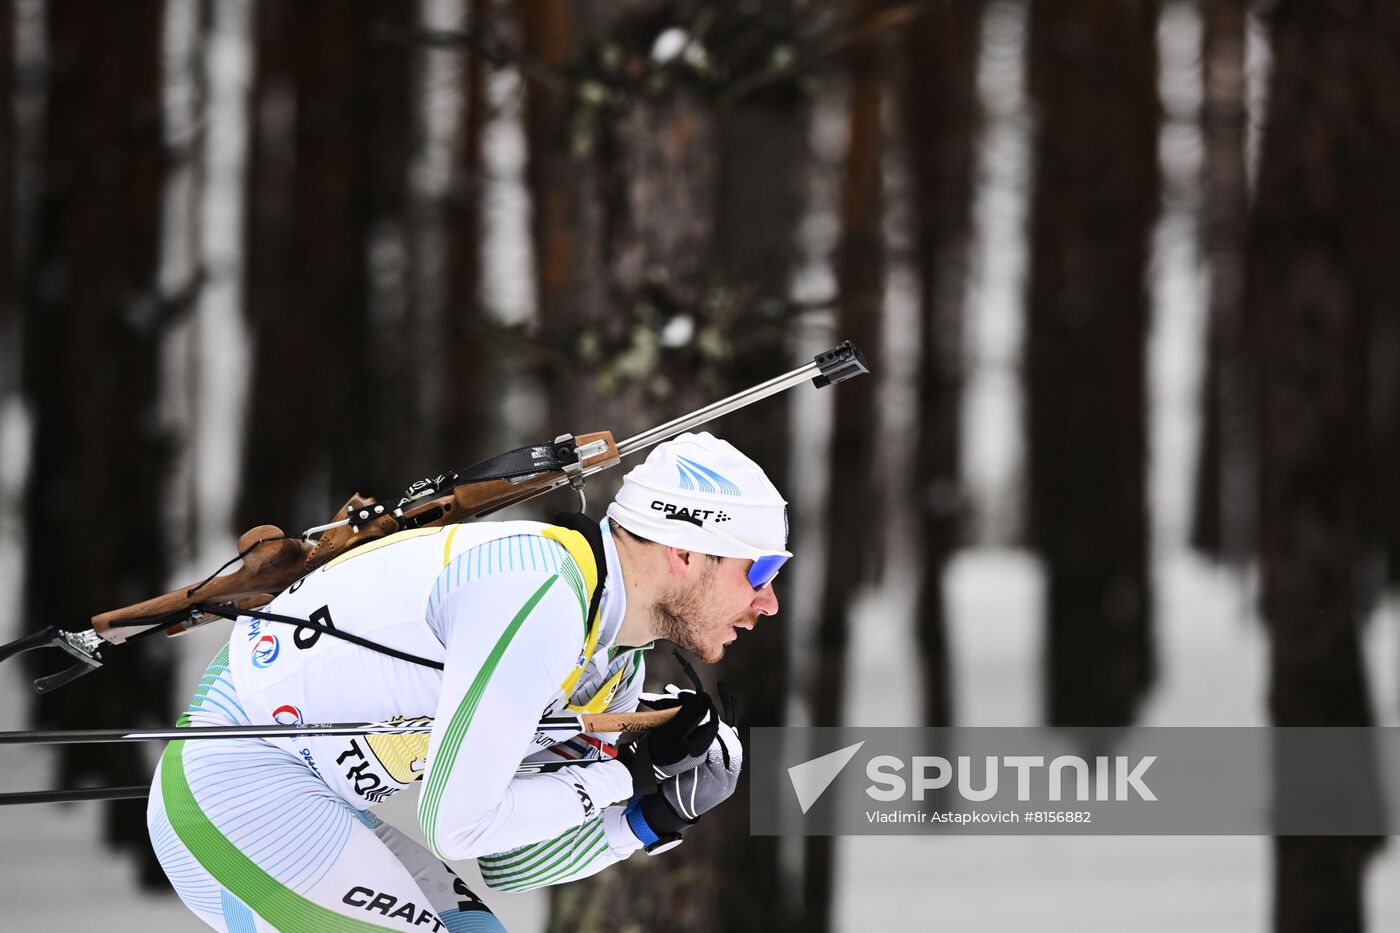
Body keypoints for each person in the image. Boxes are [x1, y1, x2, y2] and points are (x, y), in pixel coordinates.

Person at [146, 431, 790, 931]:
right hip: (233, 791)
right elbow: (457, 825)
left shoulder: (611, 663)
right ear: (683, 551)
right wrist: (623, 774)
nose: (769, 603)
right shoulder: (539, 595)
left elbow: (512, 863)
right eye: (759, 571)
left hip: (307, 794)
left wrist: (652, 813)